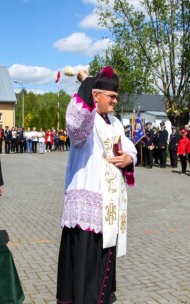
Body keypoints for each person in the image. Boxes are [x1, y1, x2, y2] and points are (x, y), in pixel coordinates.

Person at [57, 67, 137, 304]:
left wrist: (129, 158)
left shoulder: (114, 122)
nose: (115, 101)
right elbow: (76, 122)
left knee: (103, 260)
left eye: (116, 96)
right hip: (87, 204)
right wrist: (88, 81)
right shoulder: (86, 120)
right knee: (86, 263)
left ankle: (101, 297)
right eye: (111, 96)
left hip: (109, 204)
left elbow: (129, 146)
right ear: (96, 96)